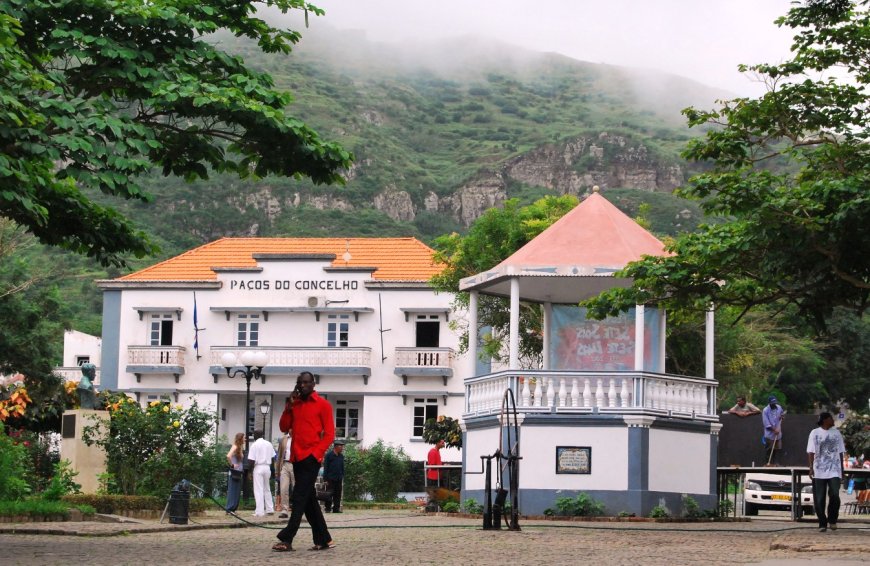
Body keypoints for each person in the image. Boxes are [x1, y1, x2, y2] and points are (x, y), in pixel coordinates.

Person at [273, 371, 336, 552]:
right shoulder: (295, 405)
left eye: (307, 382)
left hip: (311, 457)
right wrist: (288, 406)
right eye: (300, 383)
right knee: (308, 499)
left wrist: (317, 453)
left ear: (313, 384)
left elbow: (330, 434)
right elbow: (284, 427)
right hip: (296, 457)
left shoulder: (323, 405)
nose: (303, 386)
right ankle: (324, 539)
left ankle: (287, 538)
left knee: (299, 497)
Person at [807, 412, 846, 532]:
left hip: (834, 470)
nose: (833, 420)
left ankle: (832, 519)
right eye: (830, 418)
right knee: (819, 498)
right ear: (825, 420)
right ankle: (822, 522)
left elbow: (840, 452)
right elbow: (811, 452)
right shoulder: (815, 433)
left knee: (834, 494)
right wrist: (811, 468)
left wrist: (842, 470)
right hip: (819, 470)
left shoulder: (836, 433)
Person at [247, 429, 276, 517]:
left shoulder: (254, 445)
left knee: (258, 489)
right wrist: (272, 470)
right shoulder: (269, 444)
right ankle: (270, 509)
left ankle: (259, 511)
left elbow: (251, 460)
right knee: (267, 488)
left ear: (255, 435)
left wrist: (249, 471)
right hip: (267, 467)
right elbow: (273, 458)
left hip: (258, 467)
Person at [323, 439, 345, 513]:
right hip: (330, 478)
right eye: (341, 446)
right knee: (329, 494)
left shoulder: (341, 456)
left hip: (338, 478)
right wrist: (325, 479)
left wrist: (342, 476)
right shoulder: (329, 455)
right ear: (336, 447)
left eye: (342, 446)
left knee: (338, 494)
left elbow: (342, 467)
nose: (342, 448)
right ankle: (328, 508)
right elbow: (325, 467)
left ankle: (336, 509)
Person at [225, 432, 245, 513]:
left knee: (237, 491)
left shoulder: (239, 447)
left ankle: (233, 508)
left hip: (238, 472)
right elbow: (228, 456)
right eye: (244, 437)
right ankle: (229, 508)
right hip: (234, 472)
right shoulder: (235, 446)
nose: (245, 439)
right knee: (233, 490)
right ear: (240, 438)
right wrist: (232, 465)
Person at [762, 396, 785, 465]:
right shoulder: (765, 410)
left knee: (777, 449)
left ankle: (776, 463)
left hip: (778, 433)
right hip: (769, 434)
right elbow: (766, 423)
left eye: (775, 403)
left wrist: (782, 416)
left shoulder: (779, 407)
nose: (774, 404)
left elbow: (782, 414)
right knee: (769, 449)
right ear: (769, 403)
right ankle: (767, 463)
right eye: (772, 403)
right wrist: (774, 430)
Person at [276, 431, 294, 519]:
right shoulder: (284, 439)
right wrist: (277, 470)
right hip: (285, 464)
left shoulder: (299, 437)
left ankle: (298, 508)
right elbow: (279, 454)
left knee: (297, 488)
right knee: (283, 488)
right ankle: (284, 509)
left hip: (296, 464)